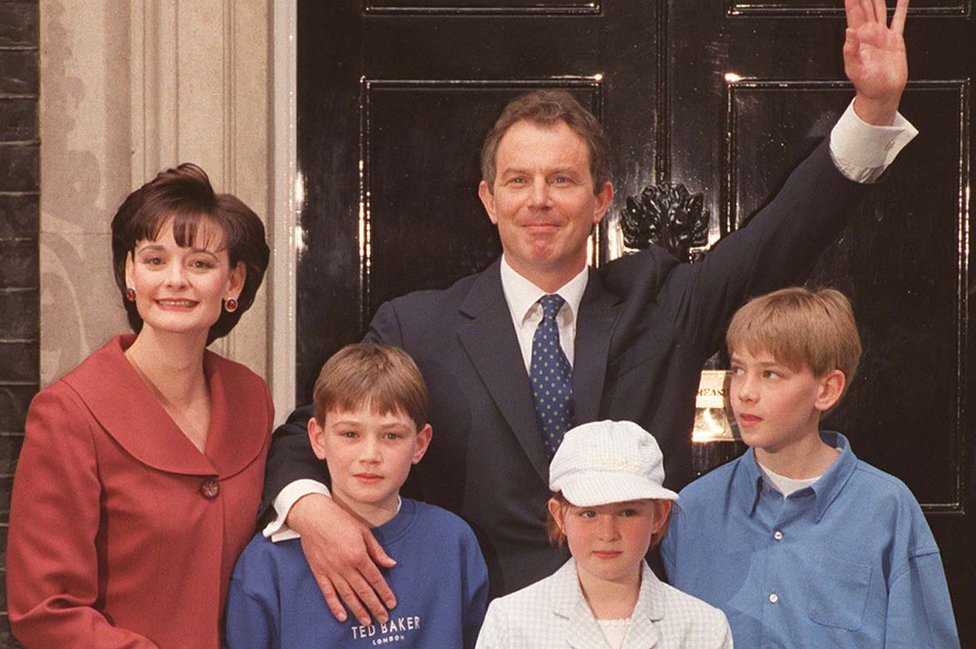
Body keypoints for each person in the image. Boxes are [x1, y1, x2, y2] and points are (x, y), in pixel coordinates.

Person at [262, 0, 916, 625]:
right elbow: (304, 433)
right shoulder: (418, 326)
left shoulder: (661, 302)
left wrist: (874, 106)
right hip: (487, 627)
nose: (538, 200)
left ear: (602, 198)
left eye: (562, 180)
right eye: (518, 180)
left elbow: (781, 235)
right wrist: (313, 510)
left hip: (640, 625)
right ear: (489, 199)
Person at [6, 163, 272, 648]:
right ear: (129, 273)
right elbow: (45, 610)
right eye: (154, 260)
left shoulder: (252, 398)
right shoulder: (68, 414)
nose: (176, 280)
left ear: (233, 282)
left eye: (199, 263)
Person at [660, 287, 960, 647]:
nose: (744, 392)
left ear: (827, 389)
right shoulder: (692, 509)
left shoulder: (886, 508)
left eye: (770, 374)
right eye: (738, 370)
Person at [225, 344, 488, 648]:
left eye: (391, 435)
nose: (370, 455)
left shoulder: (453, 542)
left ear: (420, 444)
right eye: (350, 434)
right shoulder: (265, 564)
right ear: (318, 438)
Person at [476, 420, 732, 649]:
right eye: (589, 514)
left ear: (659, 514)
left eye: (628, 513)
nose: (608, 534)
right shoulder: (511, 622)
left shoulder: (703, 627)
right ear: (559, 515)